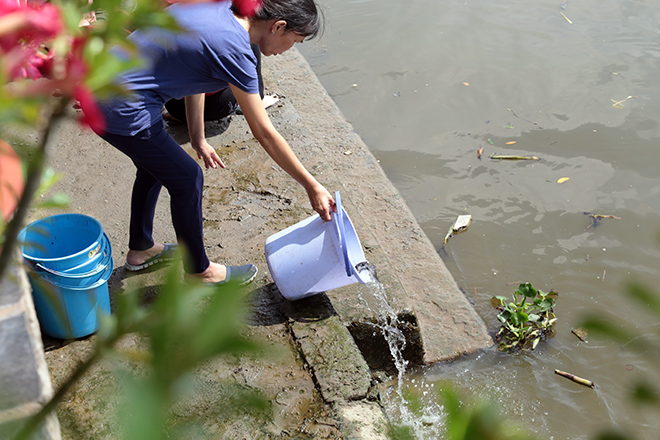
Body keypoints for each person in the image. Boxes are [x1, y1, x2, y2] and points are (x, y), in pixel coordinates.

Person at [96, 0, 335, 285]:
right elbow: (264, 132)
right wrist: (312, 185)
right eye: (294, 40)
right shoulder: (236, 49)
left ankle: (141, 249)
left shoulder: (219, 10)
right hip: (121, 107)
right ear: (278, 26)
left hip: (103, 85)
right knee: (187, 177)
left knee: (154, 166)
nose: (289, 50)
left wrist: (198, 138)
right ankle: (200, 271)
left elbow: (193, 76)